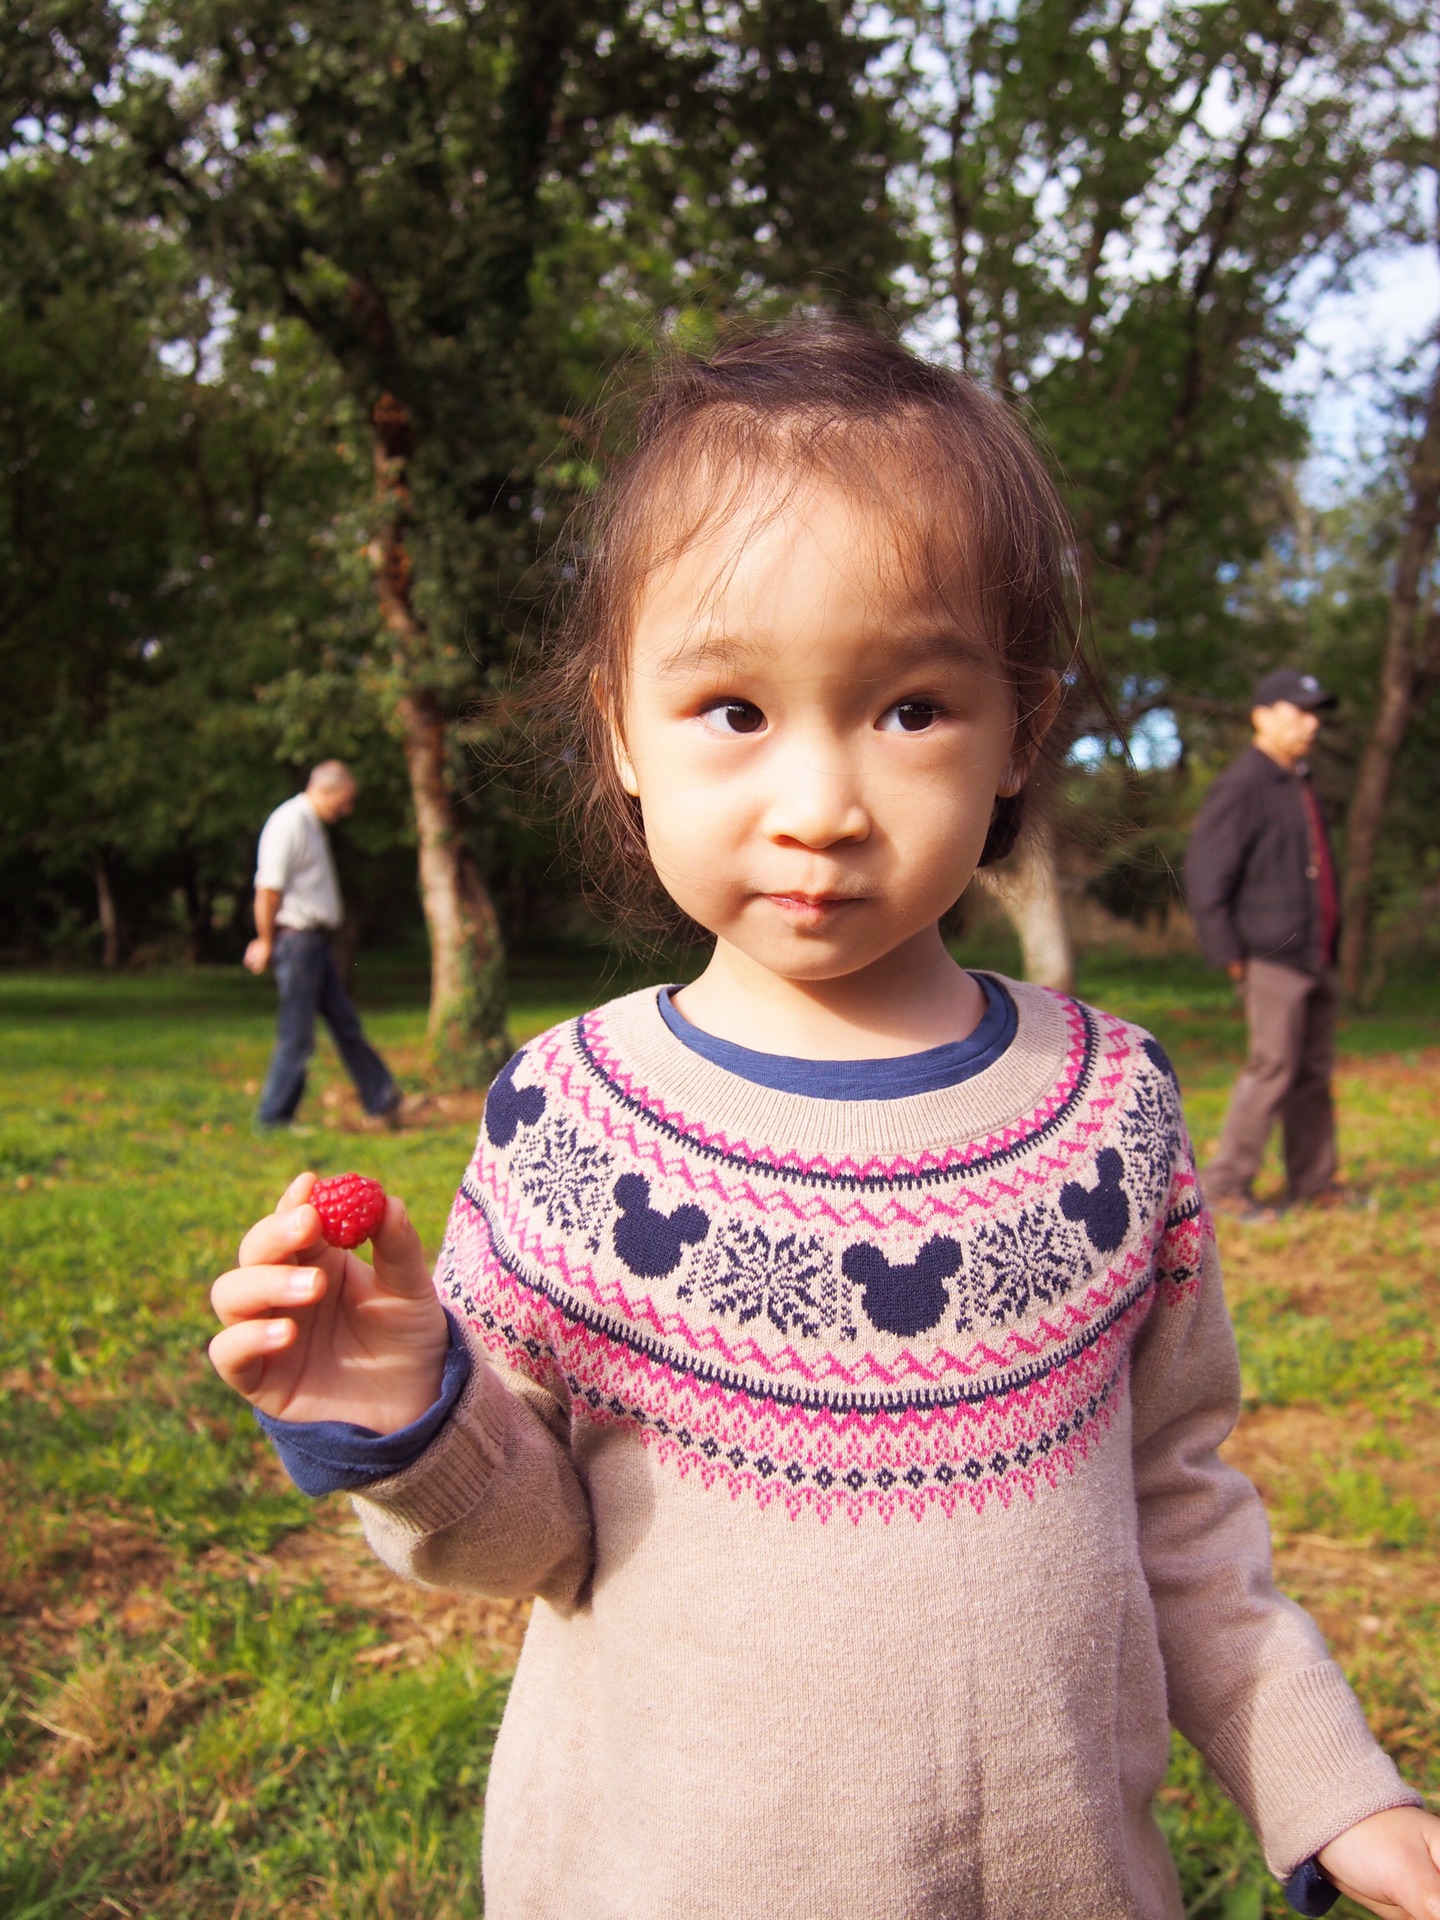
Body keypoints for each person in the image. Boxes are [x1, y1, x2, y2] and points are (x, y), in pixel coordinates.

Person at [208, 328, 1440, 1920]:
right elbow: (532, 1540)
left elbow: (1178, 1501)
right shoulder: (573, 1122)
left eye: (912, 707)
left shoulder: (1111, 1109)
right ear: (618, 735)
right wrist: (409, 1407)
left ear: (1021, 731)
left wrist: (1330, 1781)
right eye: (730, 706)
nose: (821, 803)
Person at [1184, 670, 1342, 1216]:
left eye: (1314, 712)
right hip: (1271, 954)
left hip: (1314, 953)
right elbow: (1207, 874)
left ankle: (1315, 1182)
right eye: (1298, 711)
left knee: (1313, 1073)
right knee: (1273, 1067)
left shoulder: (1297, 779)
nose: (1310, 723)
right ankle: (1226, 1185)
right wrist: (1229, 954)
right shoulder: (1245, 783)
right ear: (1262, 716)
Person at [245, 760, 402, 1131]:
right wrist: (265, 941)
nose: (346, 810)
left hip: (313, 944)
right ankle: (273, 1118)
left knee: (345, 1022)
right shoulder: (289, 823)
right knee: (297, 1034)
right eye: (344, 802)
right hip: (297, 943)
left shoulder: (311, 825)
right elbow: (268, 890)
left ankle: (382, 1098)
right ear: (326, 790)